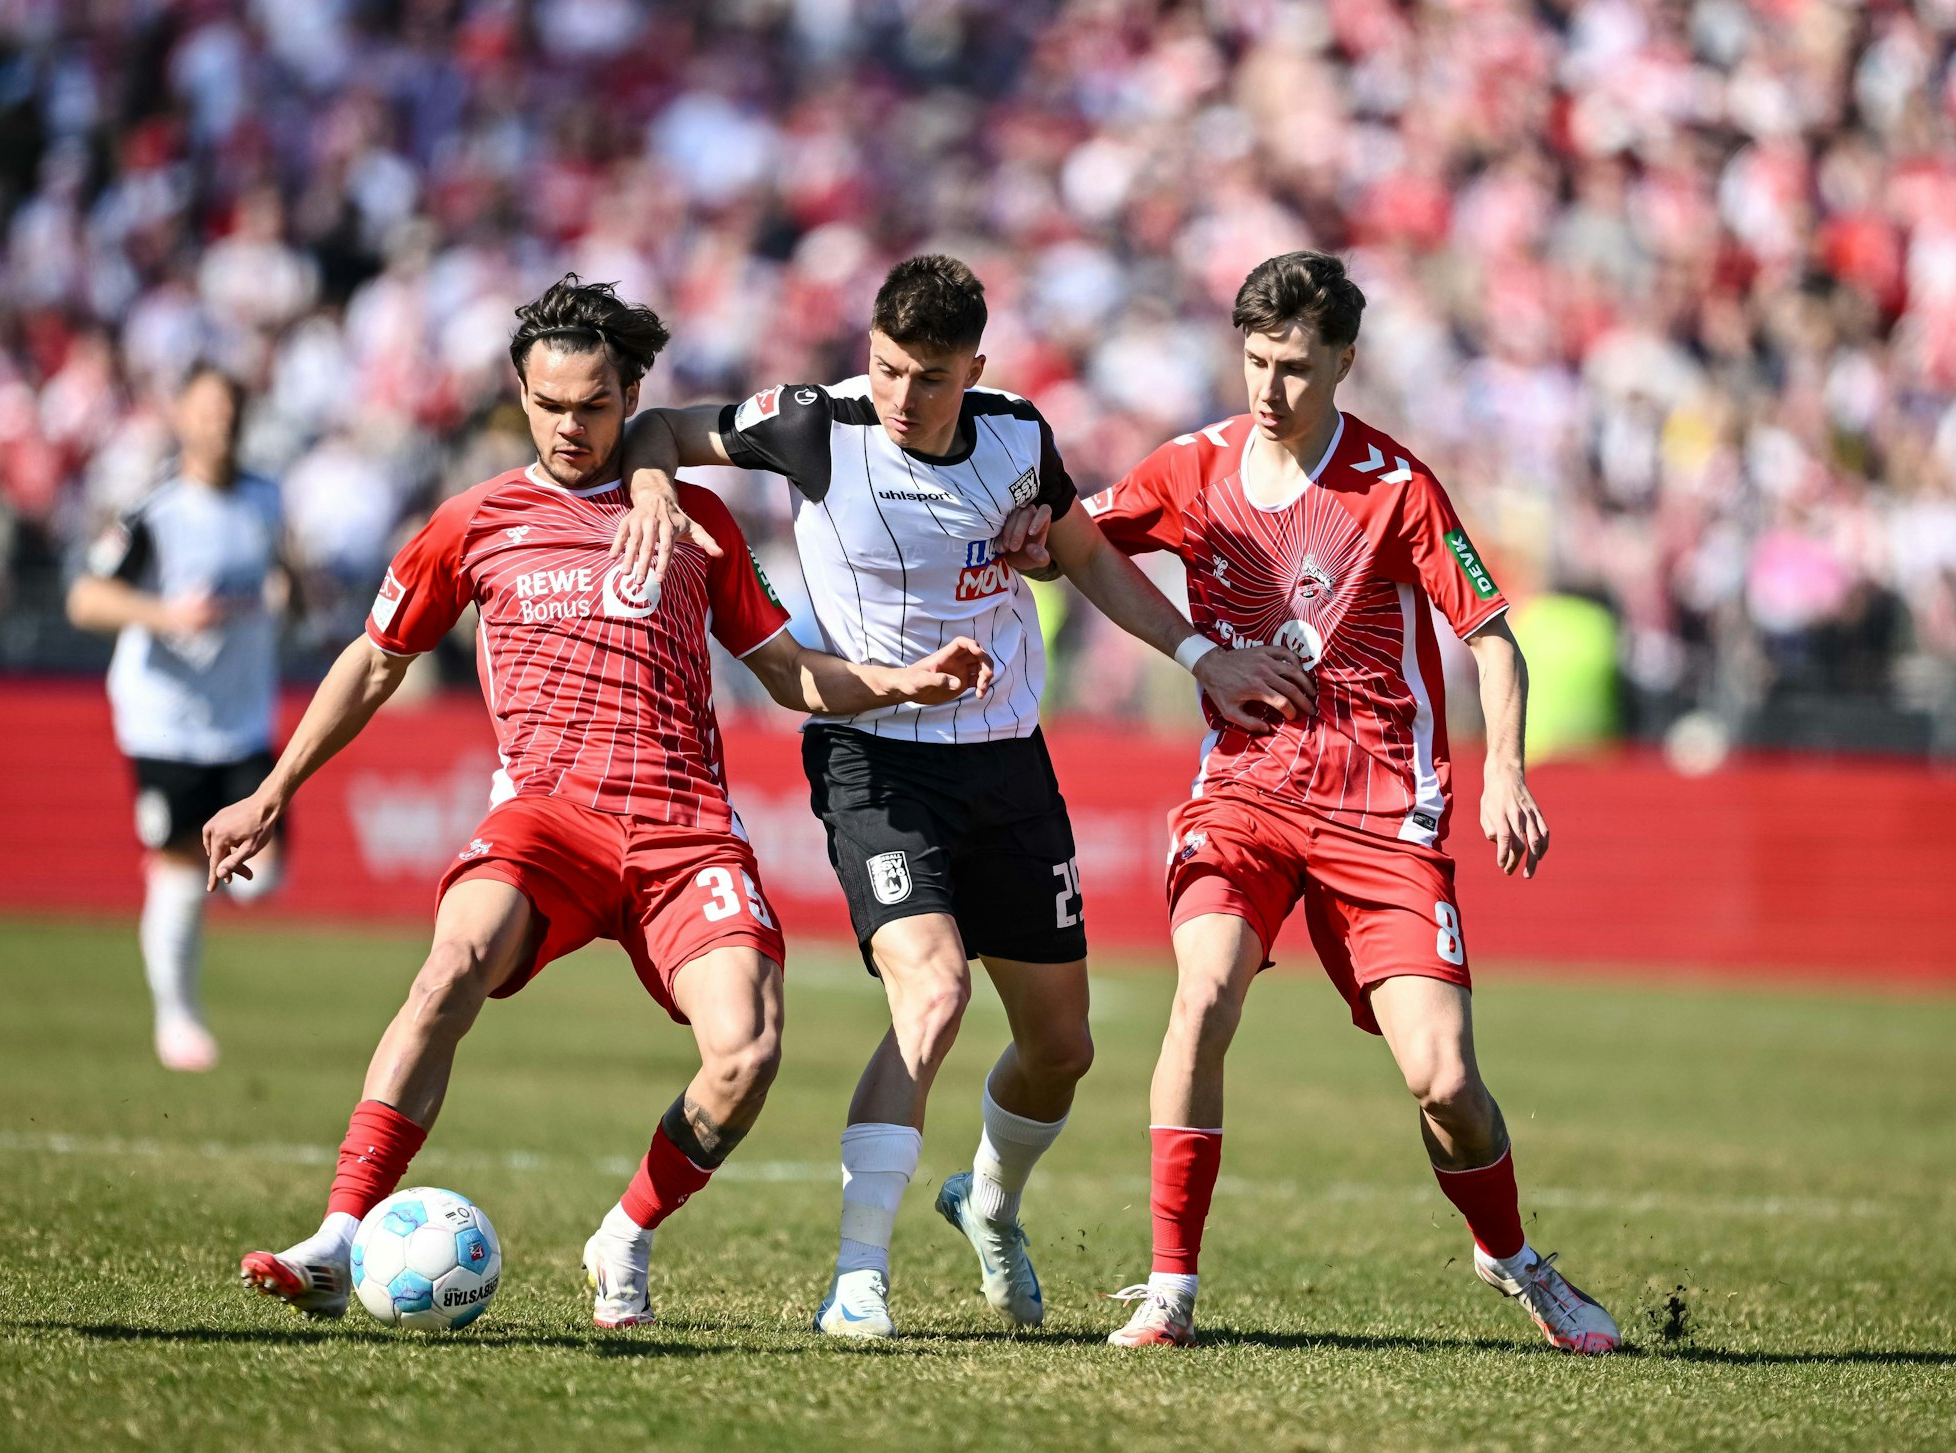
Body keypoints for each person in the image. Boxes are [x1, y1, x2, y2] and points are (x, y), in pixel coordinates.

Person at [209, 275, 991, 1327]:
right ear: (518, 398)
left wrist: (898, 683)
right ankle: (339, 1235)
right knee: (447, 970)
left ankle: (624, 1233)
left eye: (591, 405)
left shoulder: (695, 519)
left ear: (630, 398)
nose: (568, 426)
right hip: (545, 819)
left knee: (747, 1053)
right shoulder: (474, 521)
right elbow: (375, 659)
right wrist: (274, 787)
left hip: (684, 832)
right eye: (546, 405)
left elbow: (787, 672)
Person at [616, 254, 1309, 1338]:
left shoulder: (1016, 435)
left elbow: (1080, 553)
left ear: (973, 369)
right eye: (887, 369)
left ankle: (985, 1201)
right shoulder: (812, 423)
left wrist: (1197, 654)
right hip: (873, 757)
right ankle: (856, 1278)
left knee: (1061, 1048)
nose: (899, 397)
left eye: (928, 378)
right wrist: (654, 480)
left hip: (1005, 762)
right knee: (931, 993)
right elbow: (655, 429)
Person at [1004, 251, 1619, 1354]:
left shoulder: (1393, 487)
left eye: (1292, 366)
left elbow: (1491, 639)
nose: (1268, 388)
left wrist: (1506, 774)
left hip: (1383, 809)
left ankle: (1512, 1257)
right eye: (1252, 360)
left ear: (1342, 360)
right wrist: (1035, 538)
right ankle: (1169, 1289)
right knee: (1201, 997)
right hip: (1244, 791)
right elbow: (1074, 543)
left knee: (1443, 1084)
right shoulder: (1191, 468)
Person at [66, 363, 294, 1072]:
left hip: (243, 717)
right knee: (177, 874)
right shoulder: (153, 510)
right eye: (205, 410)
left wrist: (293, 591)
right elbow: (86, 600)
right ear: (182, 419)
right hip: (164, 719)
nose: (218, 422)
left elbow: (287, 572)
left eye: (229, 409)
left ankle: (184, 883)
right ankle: (178, 1021)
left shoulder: (266, 500)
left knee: (271, 873)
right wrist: (167, 614)